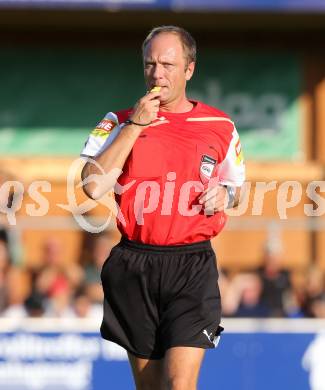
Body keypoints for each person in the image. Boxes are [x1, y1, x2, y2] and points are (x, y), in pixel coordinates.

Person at [80, 25, 245, 390]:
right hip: (134, 265)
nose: (157, 74)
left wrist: (225, 196)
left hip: (192, 266)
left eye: (168, 65)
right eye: (150, 64)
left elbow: (237, 189)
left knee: (179, 385)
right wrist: (134, 127)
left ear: (189, 69)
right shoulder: (116, 121)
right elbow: (92, 186)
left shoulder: (220, 126)